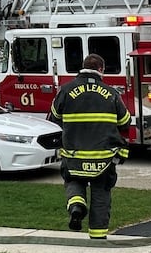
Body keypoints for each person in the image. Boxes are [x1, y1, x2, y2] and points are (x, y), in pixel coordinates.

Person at [49, 53, 131, 239]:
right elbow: (125, 121)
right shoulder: (111, 93)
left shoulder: (65, 90)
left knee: (73, 181)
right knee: (101, 195)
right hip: (103, 158)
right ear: (100, 69)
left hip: (74, 155)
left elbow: (54, 117)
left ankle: (77, 207)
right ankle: (98, 235)